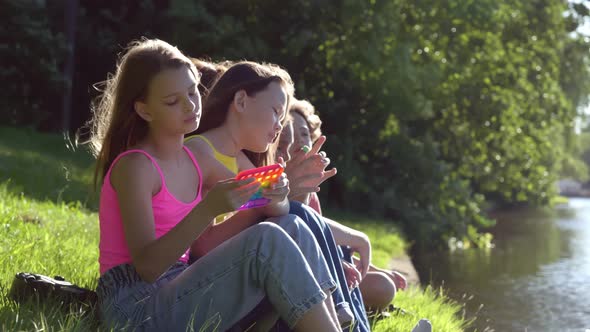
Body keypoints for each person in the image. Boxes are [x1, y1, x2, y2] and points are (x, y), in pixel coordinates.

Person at [86, 38, 341, 331]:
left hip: (179, 290)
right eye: (172, 101)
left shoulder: (197, 161)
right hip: (136, 308)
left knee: (292, 226)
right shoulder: (136, 167)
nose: (190, 104)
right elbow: (147, 267)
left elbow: (273, 204)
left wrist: (282, 188)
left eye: (193, 91)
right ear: (144, 110)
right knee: (266, 241)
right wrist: (208, 209)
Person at [184, 60, 368, 329]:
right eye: (275, 112)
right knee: (294, 216)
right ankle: (340, 312)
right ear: (242, 101)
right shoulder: (200, 153)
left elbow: (277, 212)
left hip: (242, 270)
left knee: (296, 215)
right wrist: (275, 200)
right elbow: (199, 248)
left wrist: (294, 191)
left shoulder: (242, 163)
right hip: (205, 286)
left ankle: (345, 318)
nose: (280, 126)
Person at [285, 99, 408, 310]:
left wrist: (371, 268)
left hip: (322, 264)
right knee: (382, 288)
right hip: (297, 270)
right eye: (290, 134)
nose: (299, 141)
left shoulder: (312, 187)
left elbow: (325, 240)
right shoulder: (277, 181)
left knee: (383, 285)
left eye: (304, 133)